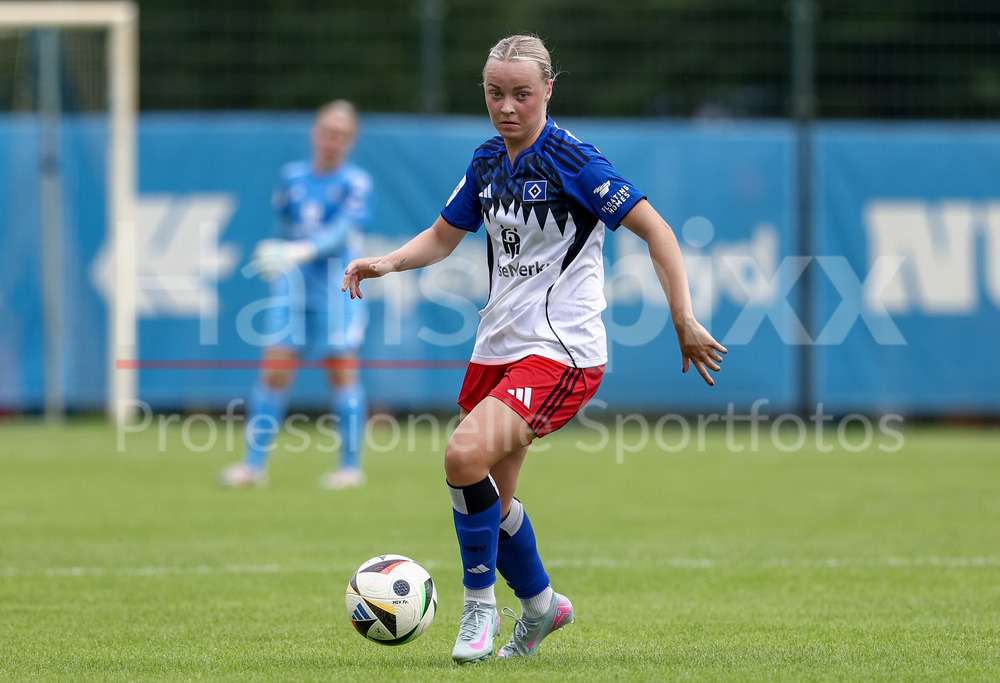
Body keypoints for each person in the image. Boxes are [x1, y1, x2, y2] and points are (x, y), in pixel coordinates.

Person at [343, 35, 726, 663]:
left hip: (562, 350)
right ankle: (544, 606)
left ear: (549, 89)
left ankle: (478, 611)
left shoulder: (576, 162)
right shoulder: (488, 160)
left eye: (522, 93)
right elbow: (443, 237)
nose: (508, 106)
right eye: (495, 93)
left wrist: (683, 318)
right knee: (492, 499)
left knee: (463, 455)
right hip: (496, 346)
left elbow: (656, 230)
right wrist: (386, 262)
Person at [221, 100, 374, 490]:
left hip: (338, 286)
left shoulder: (355, 183)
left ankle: (349, 467)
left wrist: (301, 249)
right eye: (327, 132)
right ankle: (252, 467)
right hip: (294, 285)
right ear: (314, 133)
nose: (332, 141)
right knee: (274, 371)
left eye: (341, 135)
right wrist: (278, 252)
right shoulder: (290, 178)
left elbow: (342, 232)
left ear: (351, 141)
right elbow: (286, 228)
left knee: (341, 370)